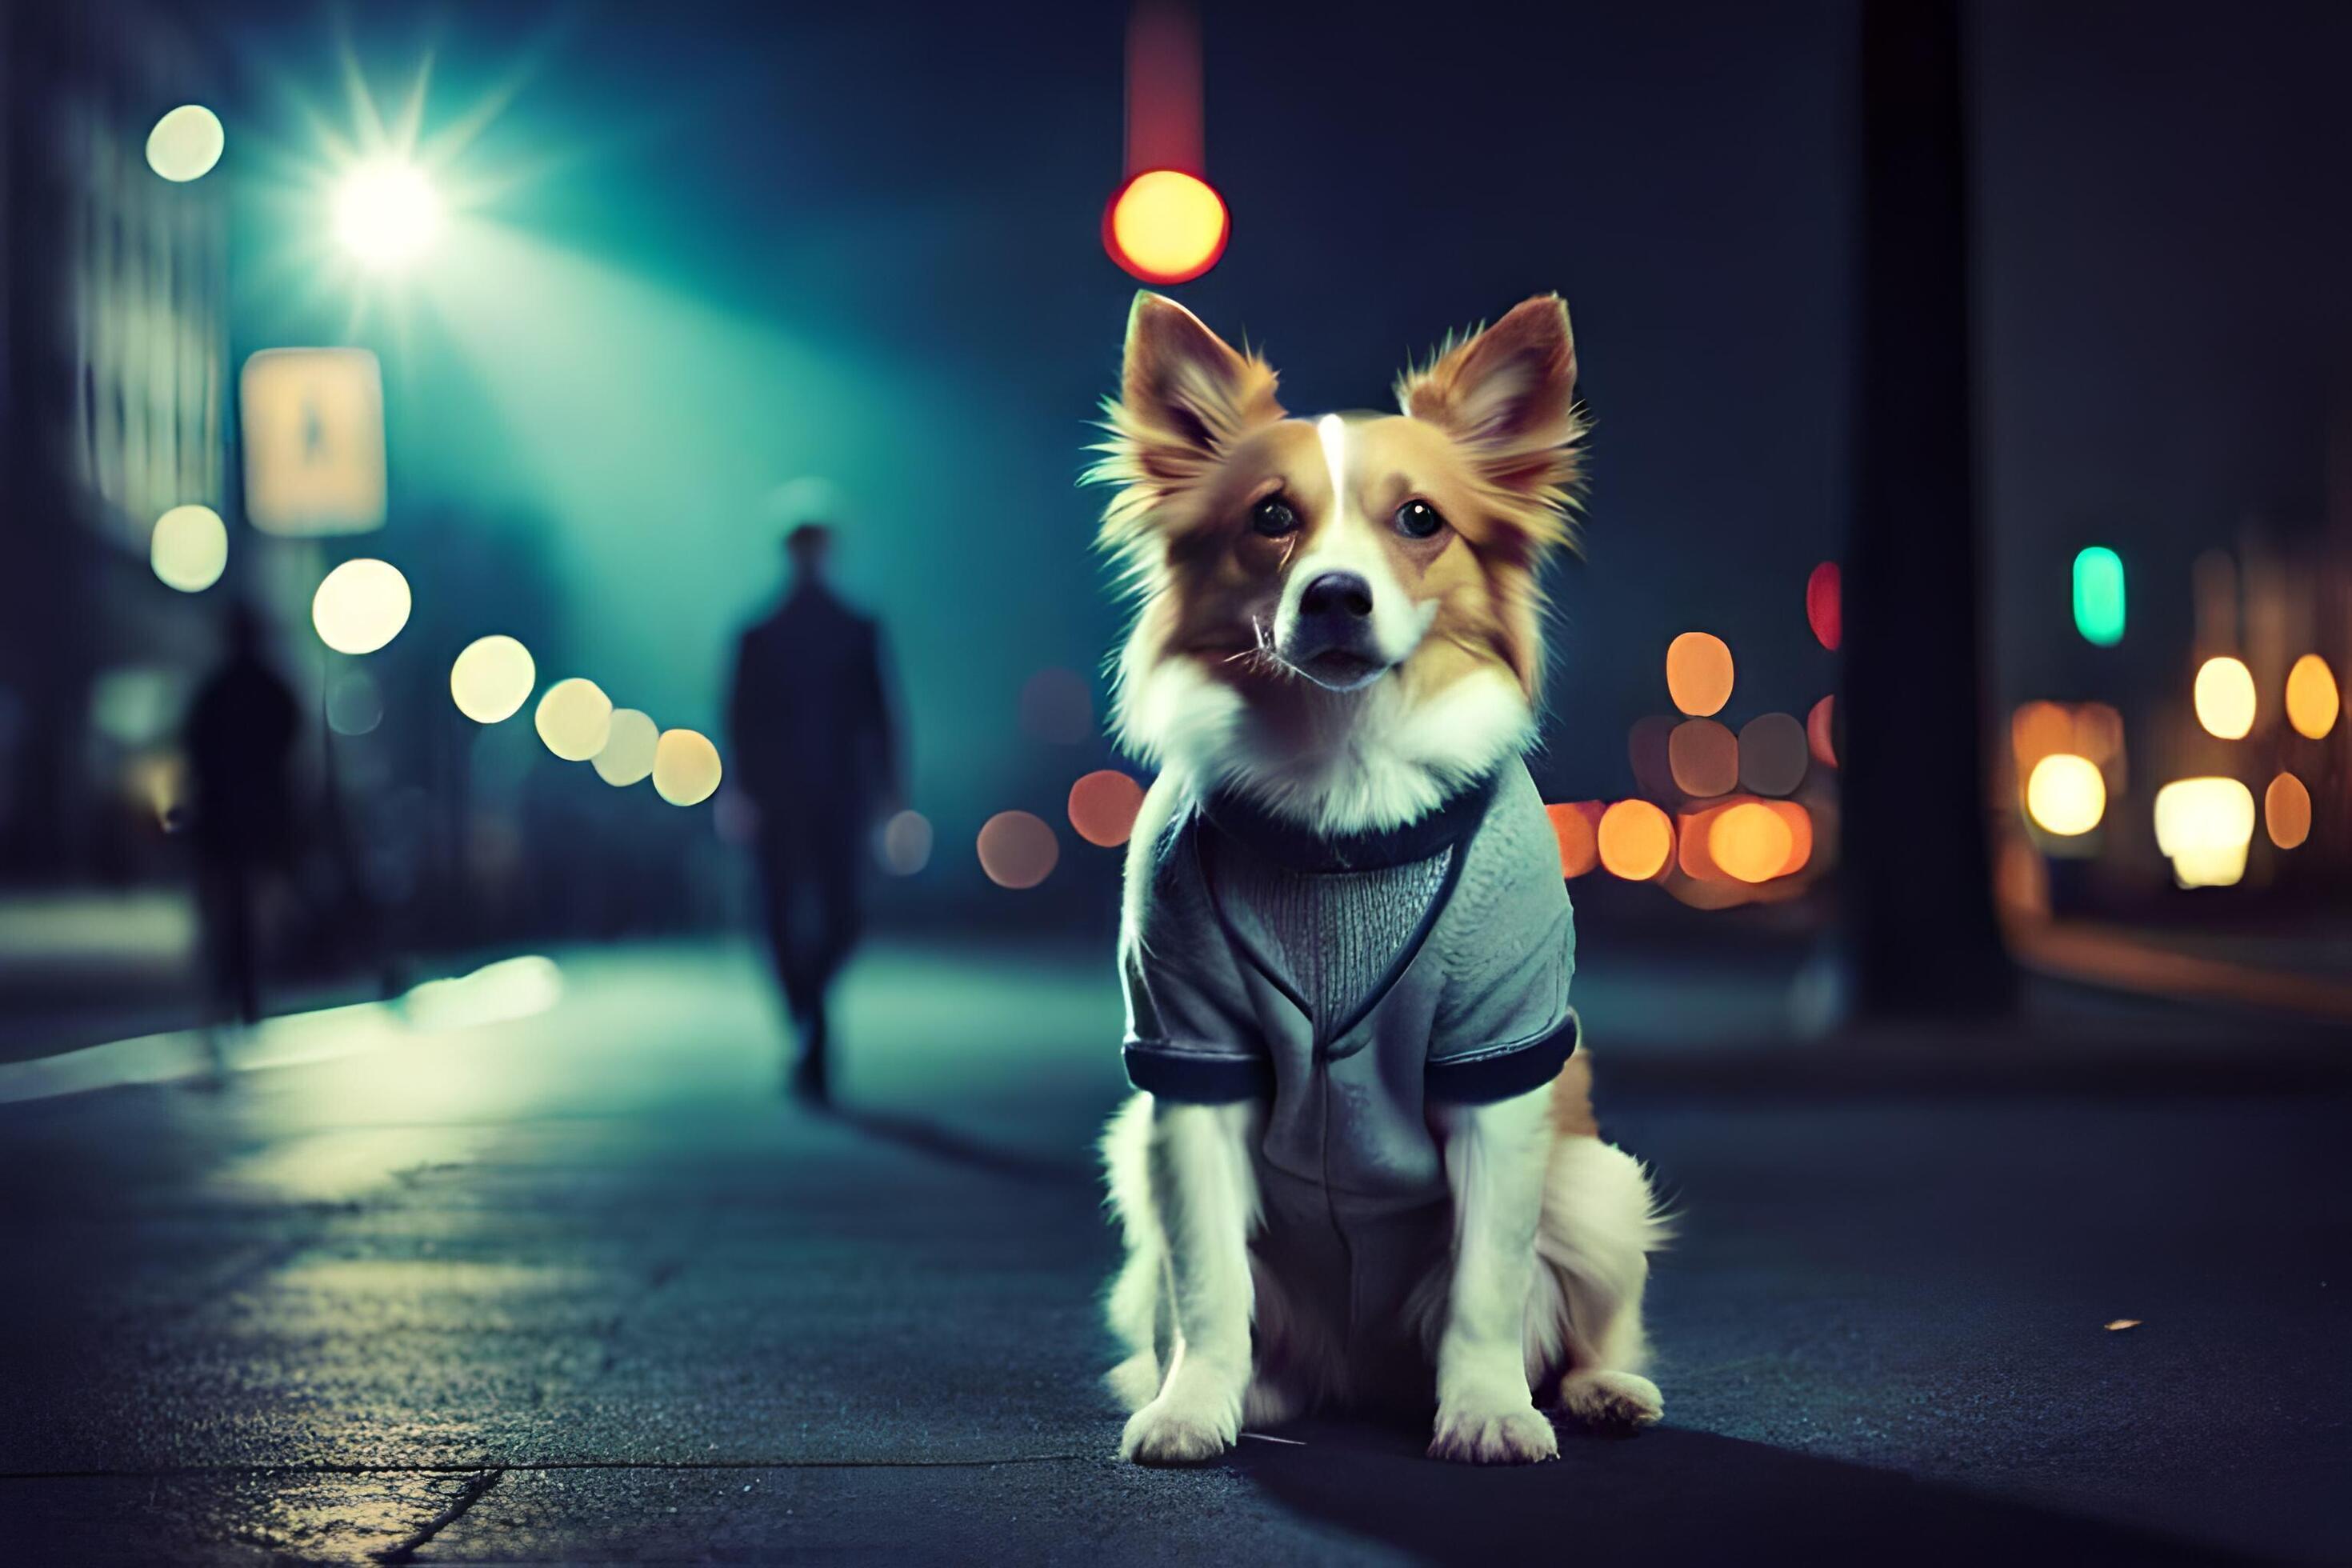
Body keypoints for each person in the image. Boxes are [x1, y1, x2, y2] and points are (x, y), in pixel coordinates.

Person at [728, 523, 901, 1101]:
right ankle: (810, 1019)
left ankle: (809, 1011)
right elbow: (740, 720)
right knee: (780, 914)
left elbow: (881, 715)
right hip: (782, 797)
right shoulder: (760, 632)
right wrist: (741, 790)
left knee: (844, 915)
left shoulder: (854, 629)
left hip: (836, 795)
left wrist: (890, 791)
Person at [182, 602, 302, 1034]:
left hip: (223, 819)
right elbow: (290, 751)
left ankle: (228, 984)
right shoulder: (273, 692)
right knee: (249, 906)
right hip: (257, 819)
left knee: (227, 907)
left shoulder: (215, 693)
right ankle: (244, 987)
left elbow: (195, 750)